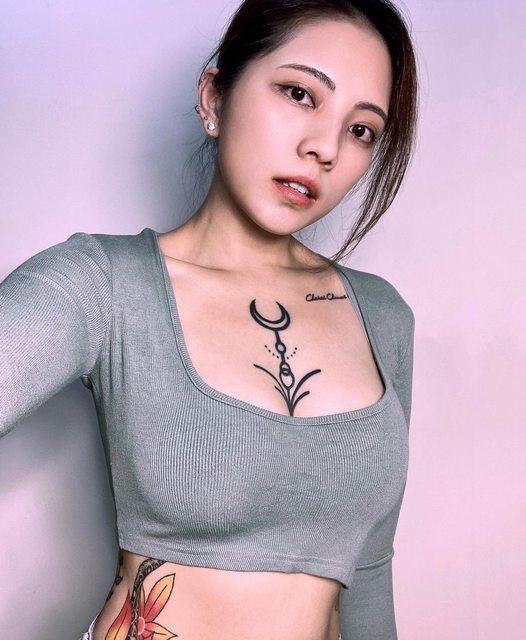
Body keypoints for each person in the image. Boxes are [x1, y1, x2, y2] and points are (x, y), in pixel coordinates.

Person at [0, 0, 418, 638]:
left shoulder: (381, 316)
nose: (324, 147)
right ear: (214, 97)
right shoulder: (104, 285)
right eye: (299, 94)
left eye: (361, 129)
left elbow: (368, 575)